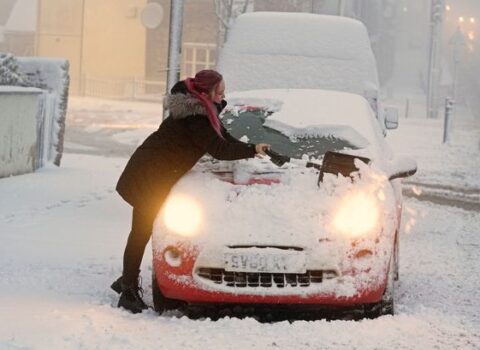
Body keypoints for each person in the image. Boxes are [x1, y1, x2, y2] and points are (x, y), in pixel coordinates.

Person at [111, 69, 270, 313]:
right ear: (206, 93)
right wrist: (252, 150)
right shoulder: (196, 118)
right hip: (150, 175)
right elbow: (220, 149)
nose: (223, 96)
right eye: (220, 92)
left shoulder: (203, 112)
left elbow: (225, 139)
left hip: (155, 171)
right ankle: (128, 290)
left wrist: (254, 148)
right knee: (141, 231)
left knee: (141, 230)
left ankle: (126, 279)